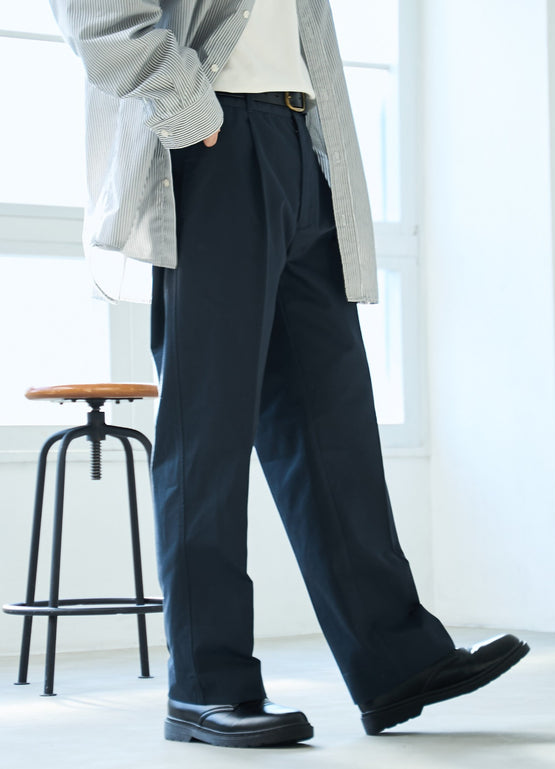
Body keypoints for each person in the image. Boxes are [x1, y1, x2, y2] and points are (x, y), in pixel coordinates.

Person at [50, 0, 529, 748]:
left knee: (332, 424)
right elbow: (99, 14)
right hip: (214, 139)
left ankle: (397, 661)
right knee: (207, 433)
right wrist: (191, 111)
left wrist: (307, 150)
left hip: (302, 137)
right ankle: (206, 686)